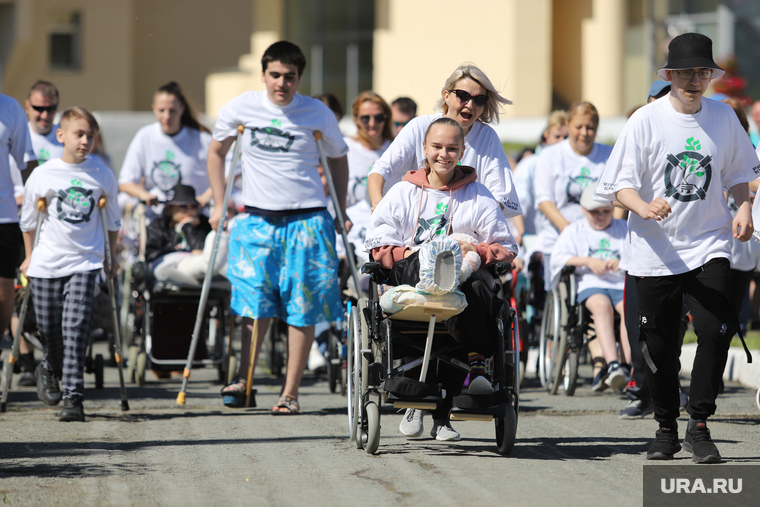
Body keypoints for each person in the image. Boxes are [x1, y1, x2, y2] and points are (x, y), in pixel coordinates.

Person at [596, 32, 759, 463]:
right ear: (668, 75)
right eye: (685, 72)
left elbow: (741, 172)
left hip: (709, 245)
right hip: (654, 252)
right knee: (660, 346)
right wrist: (644, 206)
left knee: (715, 328)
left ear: (710, 75)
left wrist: (743, 208)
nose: (694, 80)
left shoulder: (724, 118)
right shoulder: (645, 121)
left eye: (702, 72)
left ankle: (700, 424)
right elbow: (618, 187)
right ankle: (666, 426)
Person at [208, 41, 349, 414]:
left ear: (299, 78)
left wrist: (341, 207)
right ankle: (245, 379)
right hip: (256, 219)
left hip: (307, 218)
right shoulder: (240, 108)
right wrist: (220, 203)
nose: (281, 84)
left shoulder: (317, 113)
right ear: (263, 74)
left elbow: (337, 159)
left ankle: (290, 393)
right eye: (275, 75)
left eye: (289, 77)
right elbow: (216, 152)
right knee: (254, 303)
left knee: (302, 307)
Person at [366, 117, 517, 440]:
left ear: (462, 151)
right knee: (432, 257)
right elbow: (378, 240)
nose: (443, 154)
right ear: (424, 148)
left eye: (452, 148)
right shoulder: (403, 192)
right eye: (437, 147)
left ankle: (474, 373)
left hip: (462, 280)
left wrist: (474, 248)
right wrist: (412, 254)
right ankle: (418, 401)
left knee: (477, 282)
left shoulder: (478, 195)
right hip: (415, 271)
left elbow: (505, 246)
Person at [19, 107, 120, 422]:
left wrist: (111, 255)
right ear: (61, 136)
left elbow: (113, 221)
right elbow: (29, 221)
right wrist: (29, 255)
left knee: (75, 328)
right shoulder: (44, 173)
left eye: (91, 136)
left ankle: (74, 397)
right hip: (47, 261)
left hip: (85, 261)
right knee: (49, 326)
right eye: (79, 134)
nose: (85, 141)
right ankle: (49, 366)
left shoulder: (102, 173)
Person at [367, 64, 521, 220]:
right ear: (446, 96)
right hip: (415, 228)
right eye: (463, 96)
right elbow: (380, 170)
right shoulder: (419, 126)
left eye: (479, 100)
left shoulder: (487, 137)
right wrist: (379, 207)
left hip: (466, 232)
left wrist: (470, 224)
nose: (470, 105)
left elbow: (501, 195)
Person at [550, 186, 630, 391]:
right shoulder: (574, 230)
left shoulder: (624, 228)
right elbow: (558, 258)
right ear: (584, 210)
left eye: (605, 211)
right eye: (595, 212)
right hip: (590, 284)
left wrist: (621, 261)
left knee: (629, 308)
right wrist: (587, 261)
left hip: (620, 283)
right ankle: (612, 365)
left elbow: (638, 254)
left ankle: (627, 366)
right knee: (602, 307)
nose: (601, 216)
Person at [119, 82, 212, 215]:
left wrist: (207, 196)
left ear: (182, 109)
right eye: (161, 110)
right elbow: (125, 182)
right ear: (153, 108)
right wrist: (143, 194)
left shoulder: (202, 139)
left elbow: (231, 171)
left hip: (194, 216)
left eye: (172, 110)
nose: (167, 116)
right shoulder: (144, 136)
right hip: (156, 218)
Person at [0, 93, 36, 377]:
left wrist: (39, 209)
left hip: (6, 216)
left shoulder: (10, 108)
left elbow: (27, 163)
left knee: (3, 296)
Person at [144, 184, 227, 283]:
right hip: (169, 264)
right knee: (168, 273)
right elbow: (151, 254)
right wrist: (180, 251)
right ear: (169, 209)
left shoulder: (204, 224)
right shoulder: (158, 226)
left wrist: (188, 227)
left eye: (194, 206)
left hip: (195, 264)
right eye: (183, 206)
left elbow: (200, 250)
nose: (189, 211)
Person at [345, 91, 395, 208]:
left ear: (386, 118)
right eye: (365, 118)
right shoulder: (345, 148)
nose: (372, 123)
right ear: (356, 119)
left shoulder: (396, 149)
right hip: (353, 223)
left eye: (378, 117)